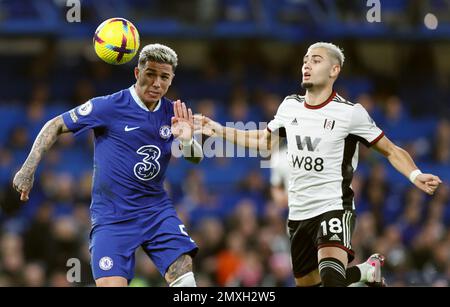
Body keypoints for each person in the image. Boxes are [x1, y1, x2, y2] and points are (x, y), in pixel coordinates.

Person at [195, 42, 442, 287]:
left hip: (334, 207)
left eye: (316, 60)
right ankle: (366, 272)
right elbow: (263, 141)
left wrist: (415, 174)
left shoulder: (350, 113)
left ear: (334, 70)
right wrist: (217, 129)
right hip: (299, 214)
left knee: (332, 278)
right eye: (305, 60)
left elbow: (390, 149)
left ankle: (362, 272)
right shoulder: (289, 105)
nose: (307, 65)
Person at [13, 44, 203, 287]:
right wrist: (27, 170)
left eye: (164, 77)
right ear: (137, 73)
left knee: (185, 275)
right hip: (113, 217)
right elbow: (55, 125)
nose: (156, 83)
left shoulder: (173, 112)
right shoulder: (109, 106)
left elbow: (196, 158)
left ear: (171, 79)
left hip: (156, 211)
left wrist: (187, 141)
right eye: (150, 74)